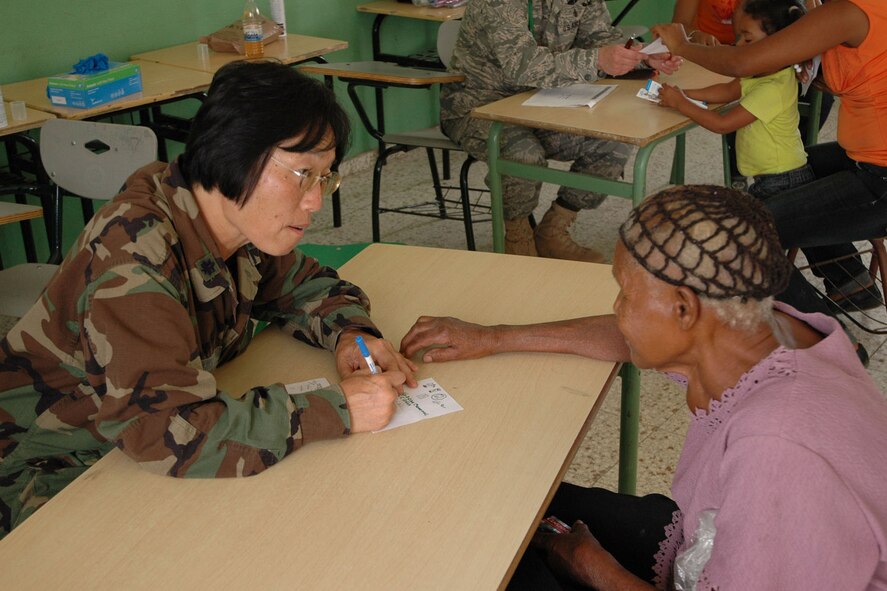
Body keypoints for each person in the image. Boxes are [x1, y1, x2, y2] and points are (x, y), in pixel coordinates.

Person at [0, 61, 417, 540]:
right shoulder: (133, 258)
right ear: (236, 152)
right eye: (303, 174)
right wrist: (335, 409)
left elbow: (307, 285)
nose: (315, 201)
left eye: (325, 178)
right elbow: (168, 432)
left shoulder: (230, 223)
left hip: (122, 452)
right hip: (48, 470)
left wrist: (350, 334)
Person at [400, 185, 887, 589]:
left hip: (747, 557)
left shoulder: (777, 450)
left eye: (625, 293)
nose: (616, 308)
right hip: (714, 547)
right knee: (503, 501)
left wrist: (598, 571)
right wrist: (494, 337)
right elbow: (628, 336)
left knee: (496, 568)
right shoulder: (761, 325)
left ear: (683, 309)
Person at [653, 0, 887, 312]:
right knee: (792, 175)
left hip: (880, 176)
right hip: (866, 158)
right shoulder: (846, 10)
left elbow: (742, 63)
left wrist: (682, 45)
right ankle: (851, 285)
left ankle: (824, 340)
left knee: (741, 233)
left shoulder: (850, 11)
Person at [440, 0, 682, 261]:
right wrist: (598, 59)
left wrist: (641, 56)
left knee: (613, 140)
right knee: (520, 153)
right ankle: (516, 236)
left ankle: (553, 231)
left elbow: (600, 39)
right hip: (479, 105)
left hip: (545, 101)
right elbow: (522, 65)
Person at [659, 0, 815, 200]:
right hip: (771, 176)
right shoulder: (759, 73)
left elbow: (722, 124)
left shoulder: (773, 89)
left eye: (747, 40)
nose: (739, 45)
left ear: (778, 43)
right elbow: (728, 90)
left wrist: (681, 103)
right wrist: (684, 94)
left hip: (783, 179)